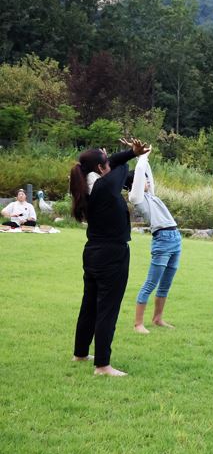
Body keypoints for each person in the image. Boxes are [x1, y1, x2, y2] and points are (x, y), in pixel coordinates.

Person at [69, 138, 150, 376]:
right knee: (107, 309)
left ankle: (80, 353)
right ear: (100, 168)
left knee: (90, 305)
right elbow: (120, 167)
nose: (109, 159)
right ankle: (103, 365)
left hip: (93, 252)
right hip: (111, 254)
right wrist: (137, 155)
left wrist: (128, 152)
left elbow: (112, 164)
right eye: (105, 157)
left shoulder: (88, 184)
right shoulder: (105, 187)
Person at [128, 152, 181, 334]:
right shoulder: (137, 198)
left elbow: (147, 173)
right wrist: (140, 159)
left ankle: (158, 318)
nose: (148, 183)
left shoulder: (150, 196)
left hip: (175, 238)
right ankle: (138, 324)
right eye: (143, 181)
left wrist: (144, 157)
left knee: (166, 283)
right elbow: (140, 174)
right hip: (163, 240)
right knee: (151, 283)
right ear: (134, 184)